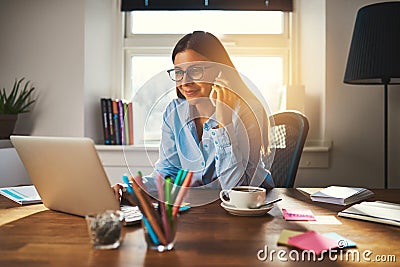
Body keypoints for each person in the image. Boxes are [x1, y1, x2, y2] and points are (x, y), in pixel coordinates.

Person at [114, 31, 274, 201]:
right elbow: (168, 173)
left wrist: (223, 123)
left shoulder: (248, 111)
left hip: (251, 208)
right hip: (199, 205)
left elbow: (236, 191)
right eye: (178, 72)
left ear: (220, 71)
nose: (185, 82)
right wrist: (131, 189)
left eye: (195, 71)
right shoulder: (174, 113)